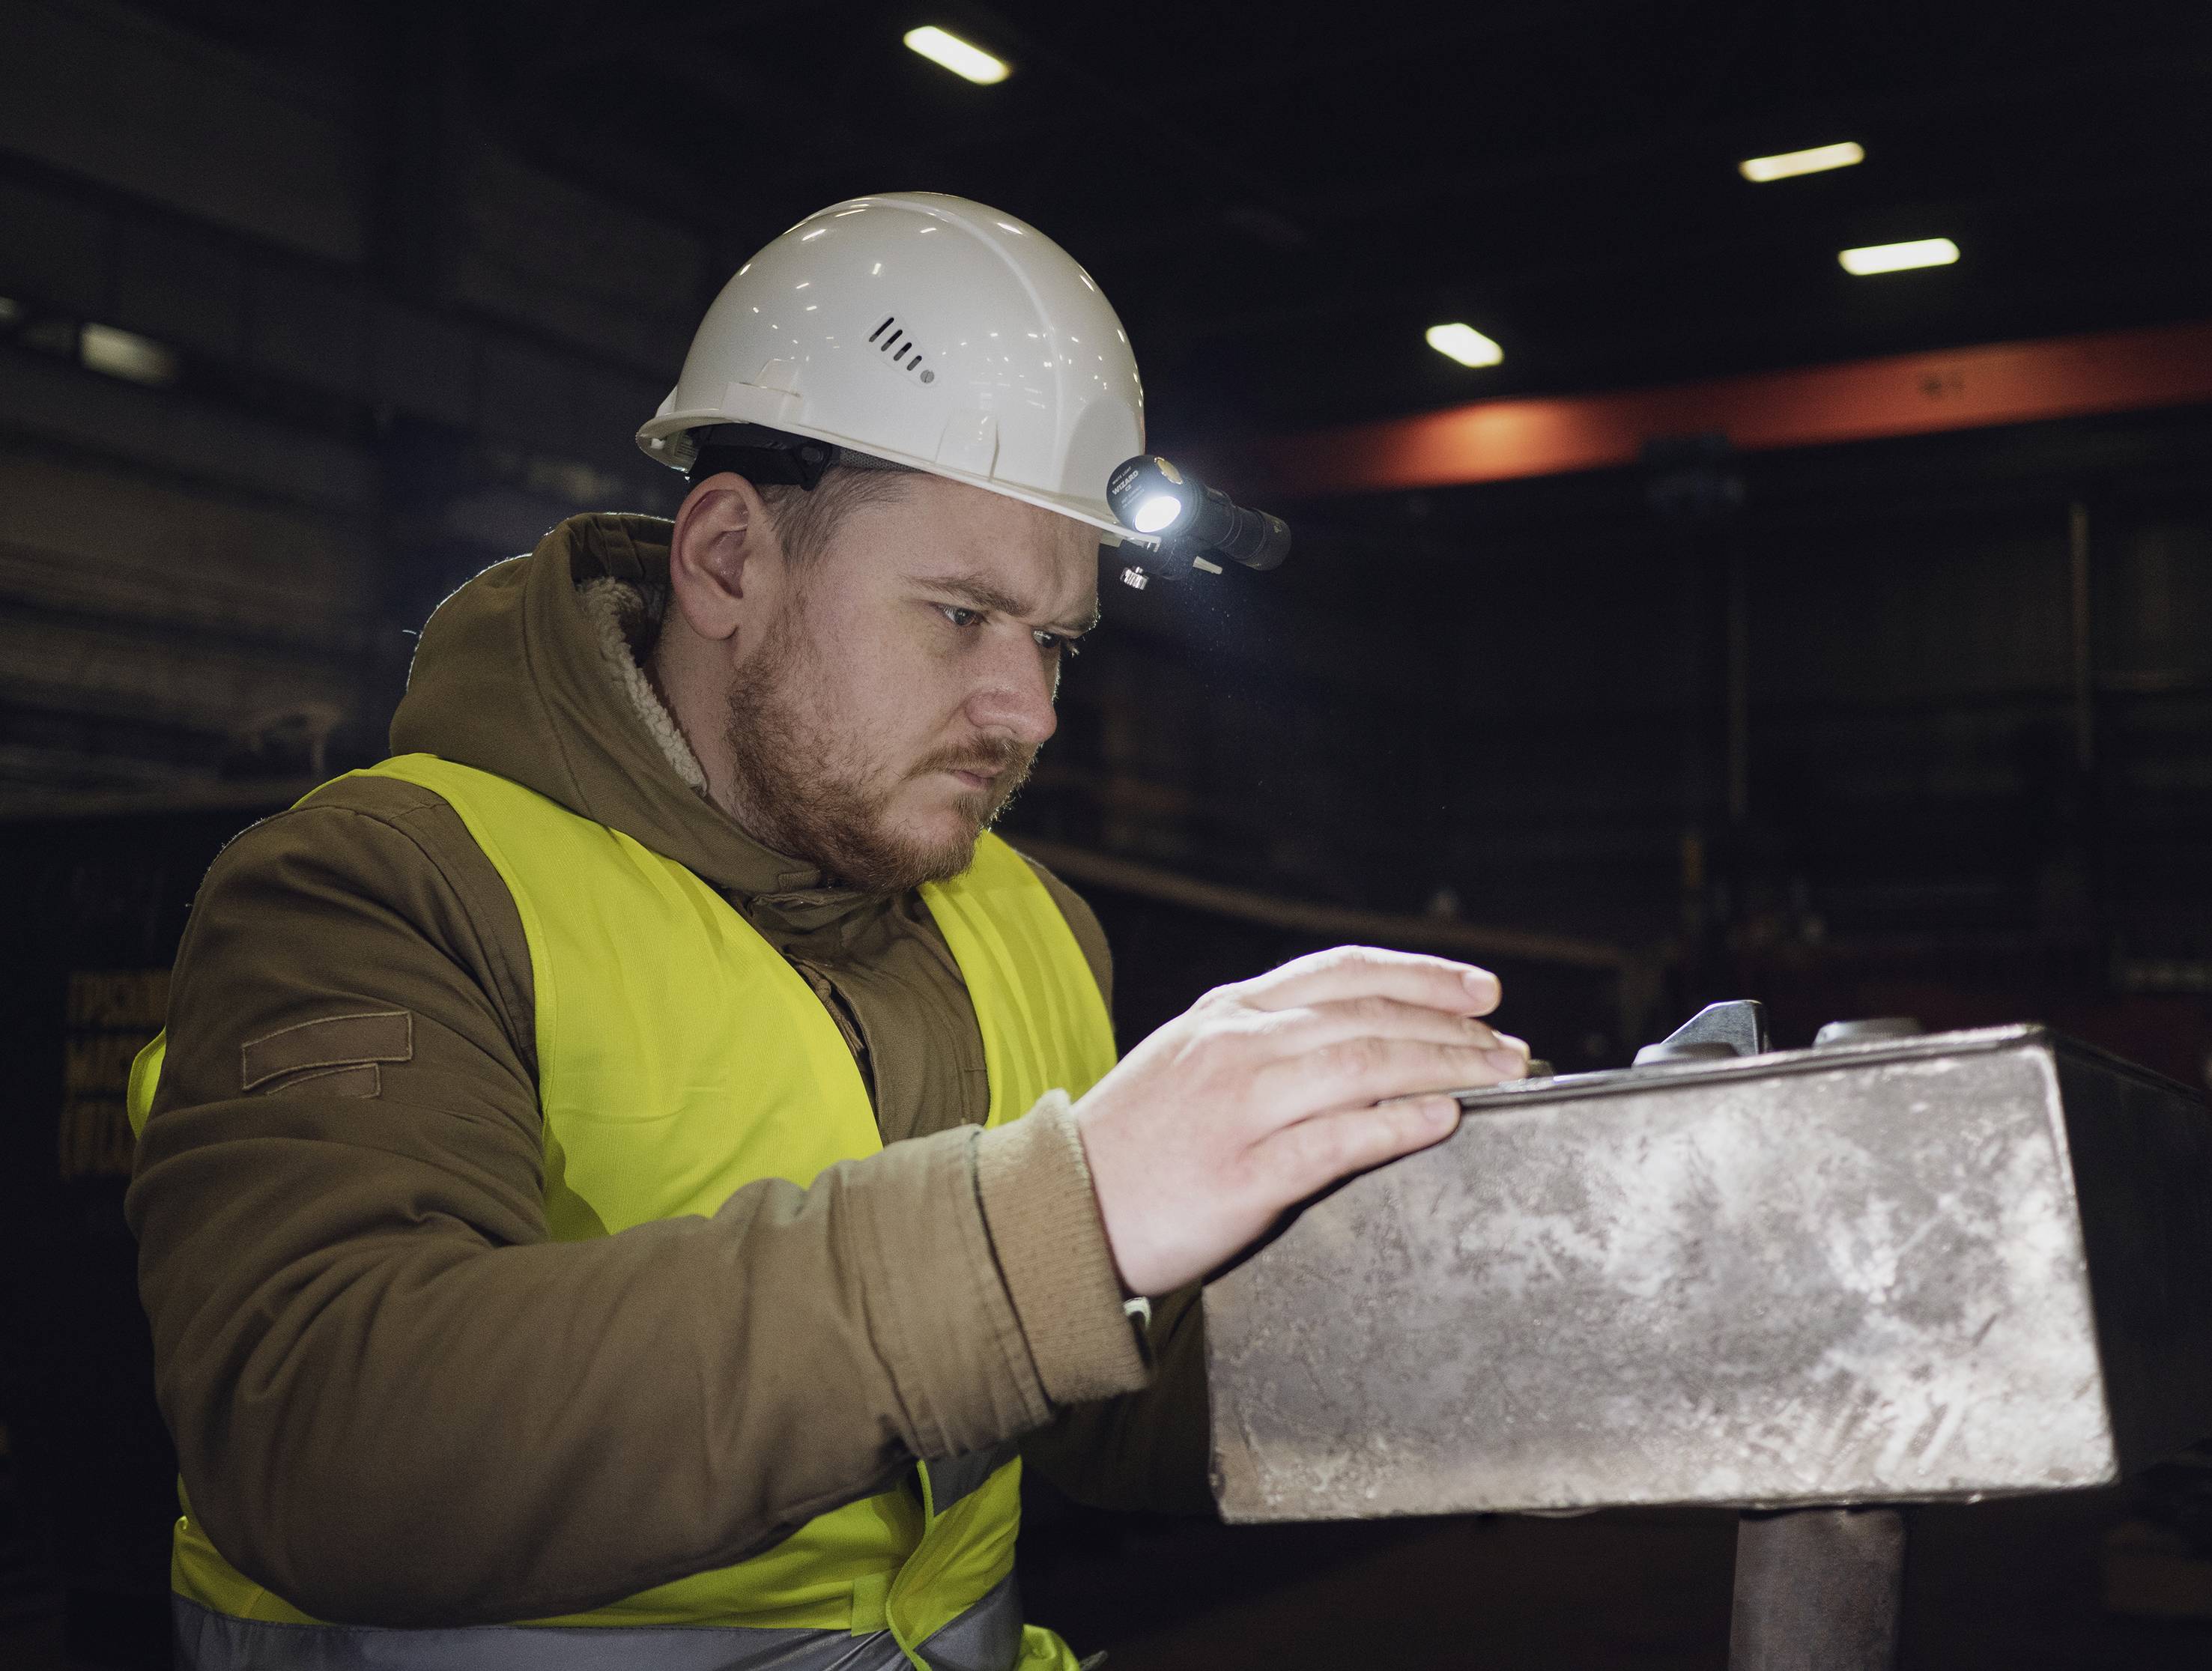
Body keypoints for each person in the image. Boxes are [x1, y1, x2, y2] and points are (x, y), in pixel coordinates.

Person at [125, 193, 1527, 1670]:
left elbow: (1085, 1389)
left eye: (1050, 640)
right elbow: (335, 1442)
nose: (1031, 712)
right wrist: (1063, 1219)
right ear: (729, 561)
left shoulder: (1022, 923)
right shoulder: (380, 886)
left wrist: (1503, 1340)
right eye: (957, 615)